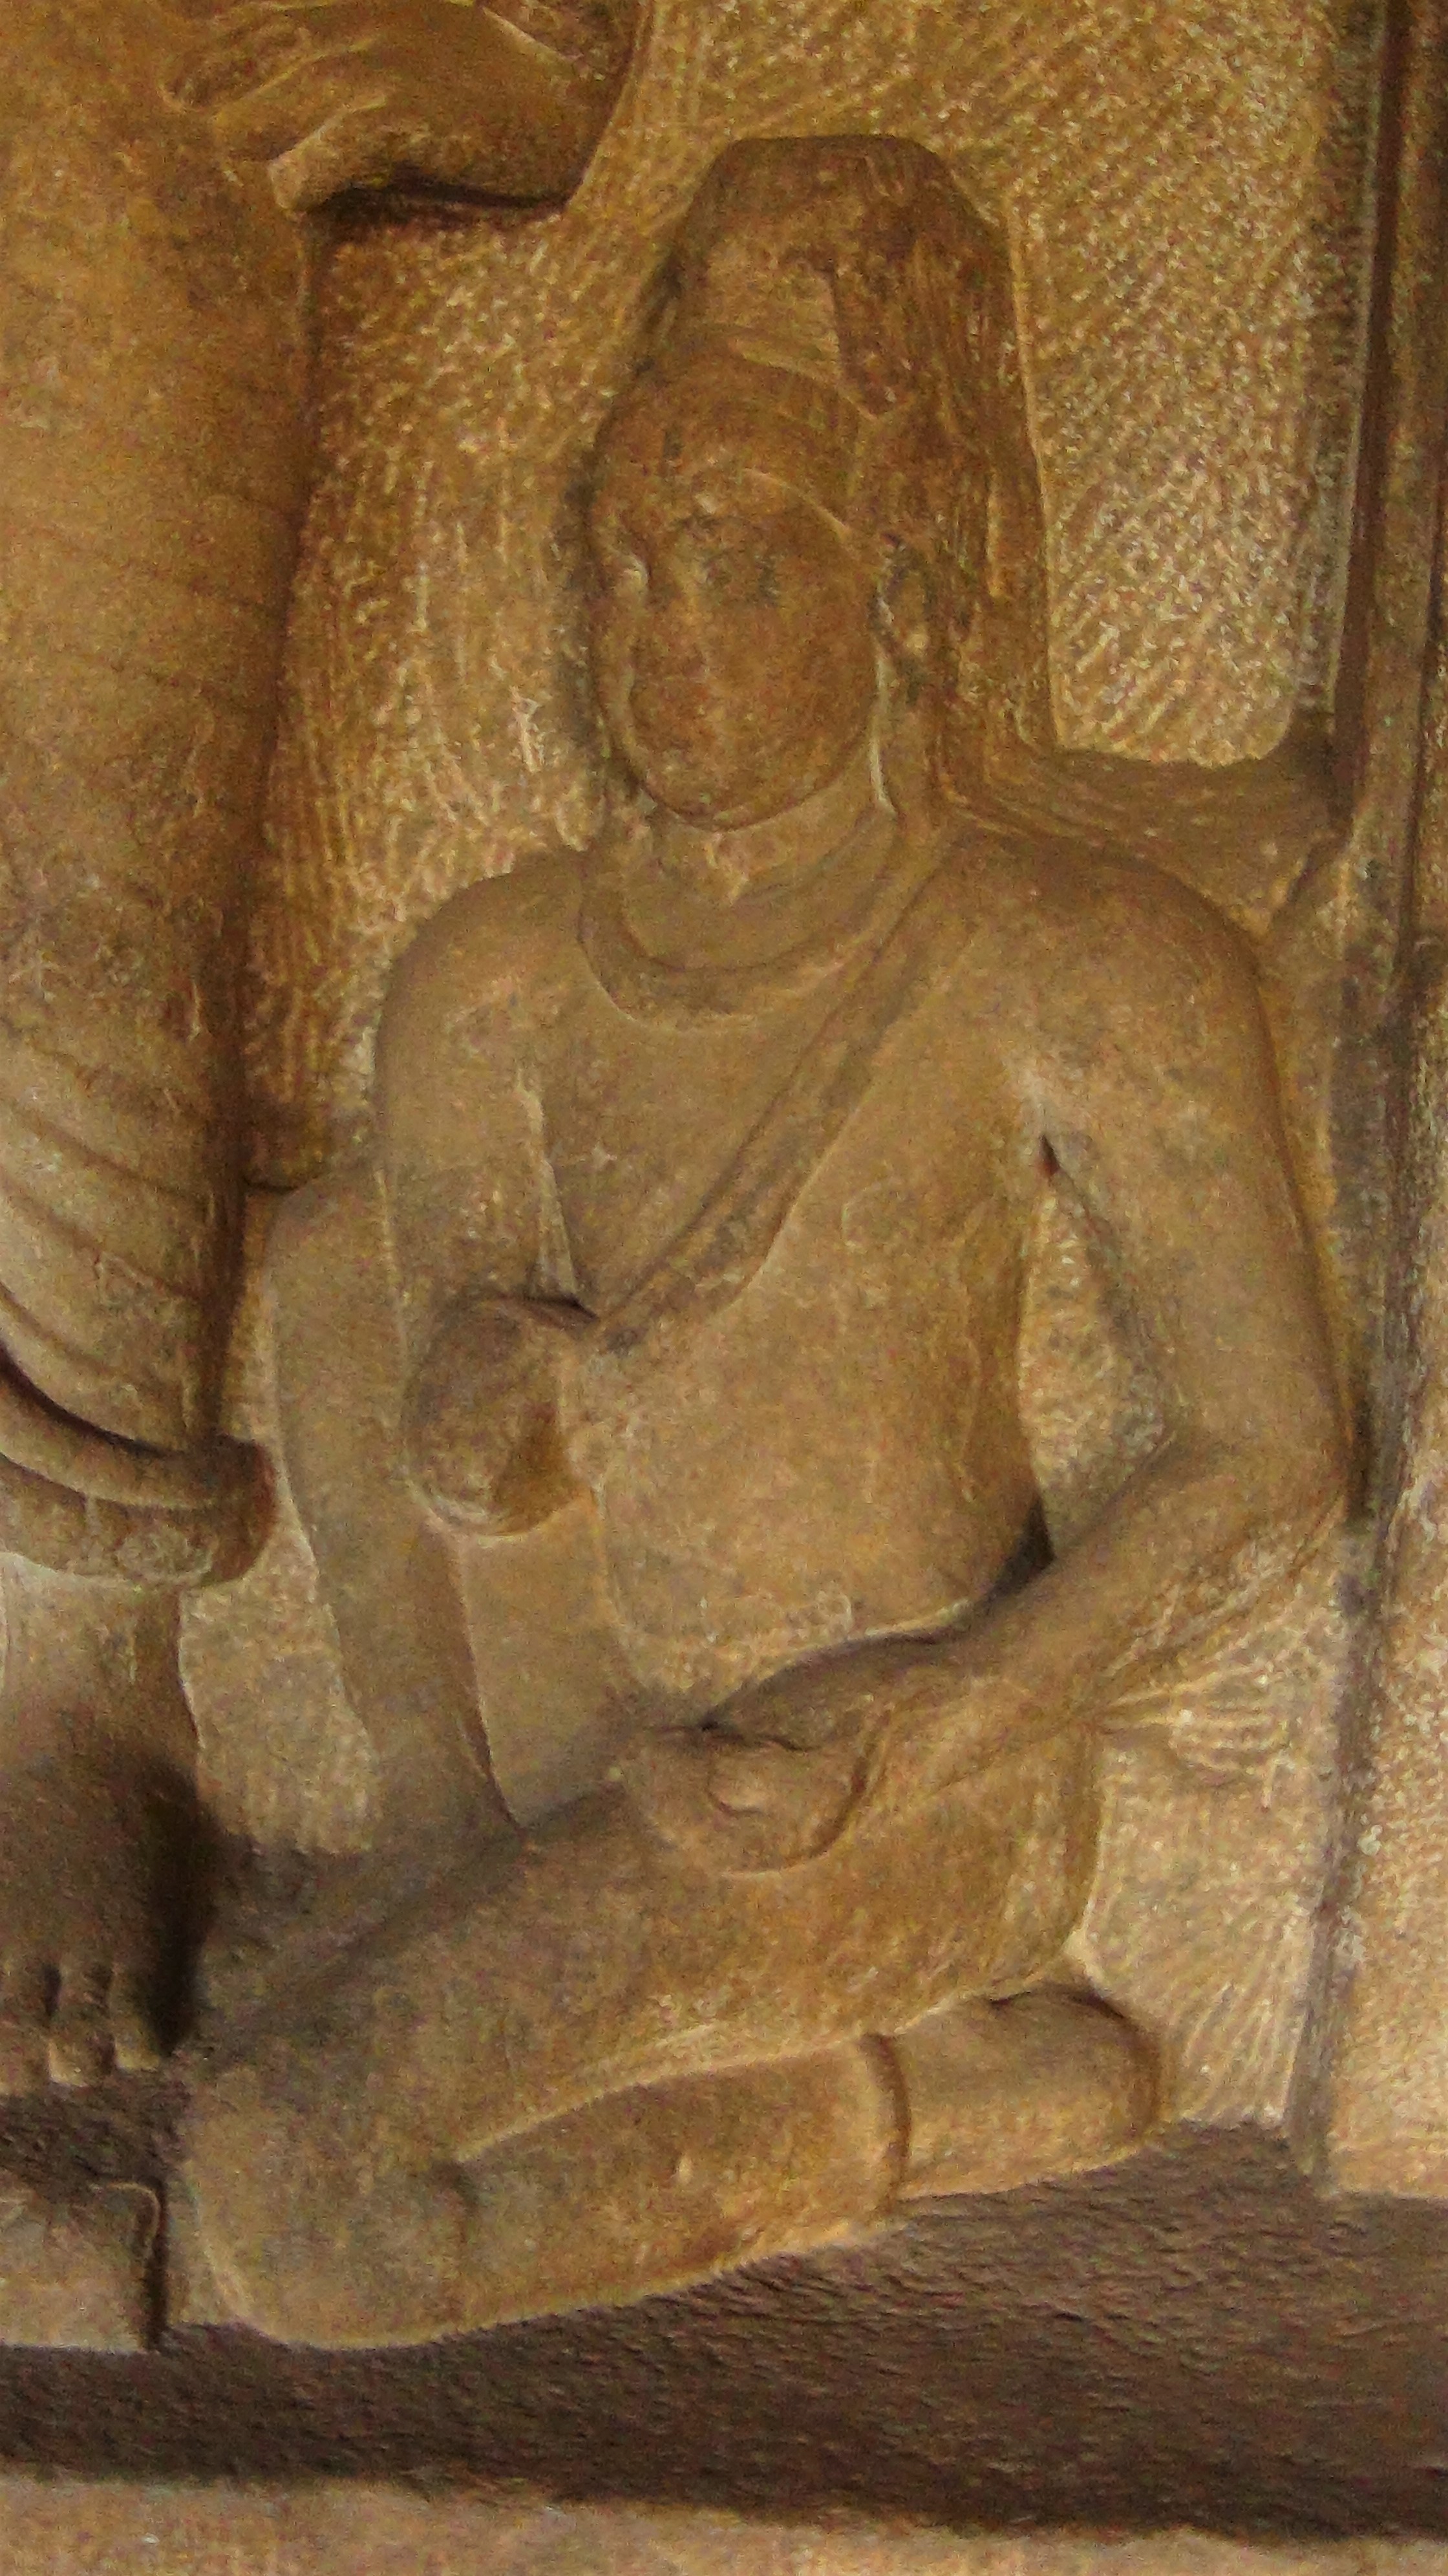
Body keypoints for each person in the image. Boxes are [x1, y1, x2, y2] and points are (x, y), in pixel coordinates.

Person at [182, 136, 1345, 2347]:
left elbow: (1270, 1450)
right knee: (333, 1264)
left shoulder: (1072, 952)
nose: (667, 640)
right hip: (555, 1787)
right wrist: (477, 1434)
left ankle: (915, 2100)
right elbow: (452, 1483)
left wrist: (949, 1711)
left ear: (892, 586)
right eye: (623, 570)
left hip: (889, 1790)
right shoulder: (492, 977)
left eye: (734, 567)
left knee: (294, 2201)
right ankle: (941, 2090)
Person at [0, 0, 635, 2098]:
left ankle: (72, 1675)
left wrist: (486, 56)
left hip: (125, 132)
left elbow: (547, 63)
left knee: (94, 934)